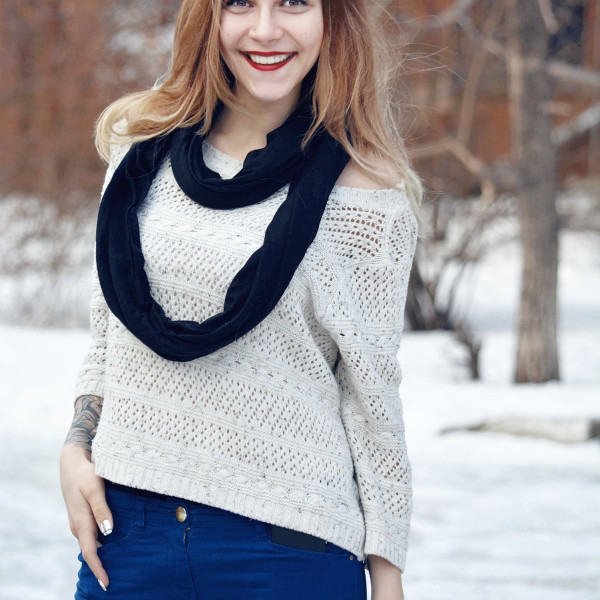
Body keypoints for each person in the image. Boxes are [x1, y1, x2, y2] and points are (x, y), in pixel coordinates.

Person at [60, 0, 421, 598]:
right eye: (239, 3)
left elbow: (371, 402)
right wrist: (77, 448)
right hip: (128, 537)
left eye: (294, 2)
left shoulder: (368, 198)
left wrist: (387, 575)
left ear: (331, 17)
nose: (266, 29)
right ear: (208, 16)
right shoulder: (138, 159)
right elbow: (108, 337)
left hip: (287, 551)